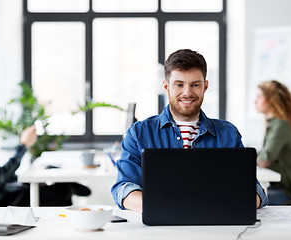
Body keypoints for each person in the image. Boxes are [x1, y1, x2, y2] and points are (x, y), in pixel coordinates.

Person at [111, 49, 268, 212]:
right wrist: (168, 208)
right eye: (179, 84)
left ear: (205, 86)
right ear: (166, 86)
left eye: (195, 85)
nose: (187, 92)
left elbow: (254, 189)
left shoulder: (228, 133)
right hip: (159, 227)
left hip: (216, 225)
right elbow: (123, 188)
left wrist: (235, 204)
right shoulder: (139, 133)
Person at [0, 88, 91, 207]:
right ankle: (70, 188)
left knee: (52, 184)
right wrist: (23, 145)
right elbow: (0, 176)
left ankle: (70, 185)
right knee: (62, 190)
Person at [255, 80, 291, 205]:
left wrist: (248, 157)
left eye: (259, 97)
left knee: (249, 200)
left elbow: (265, 159)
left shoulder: (280, 126)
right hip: (285, 187)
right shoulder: (274, 125)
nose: (255, 101)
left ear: (271, 100)